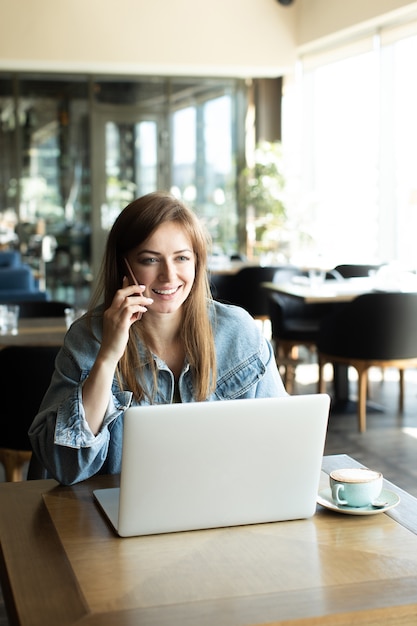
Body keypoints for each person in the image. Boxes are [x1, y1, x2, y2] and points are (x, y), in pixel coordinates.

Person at [29, 191, 287, 485]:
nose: (168, 275)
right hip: (115, 520)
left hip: (224, 507)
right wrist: (108, 357)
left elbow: (281, 441)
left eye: (181, 258)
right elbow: (65, 466)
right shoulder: (87, 338)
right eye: (150, 260)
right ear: (123, 265)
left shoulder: (238, 331)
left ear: (197, 263)